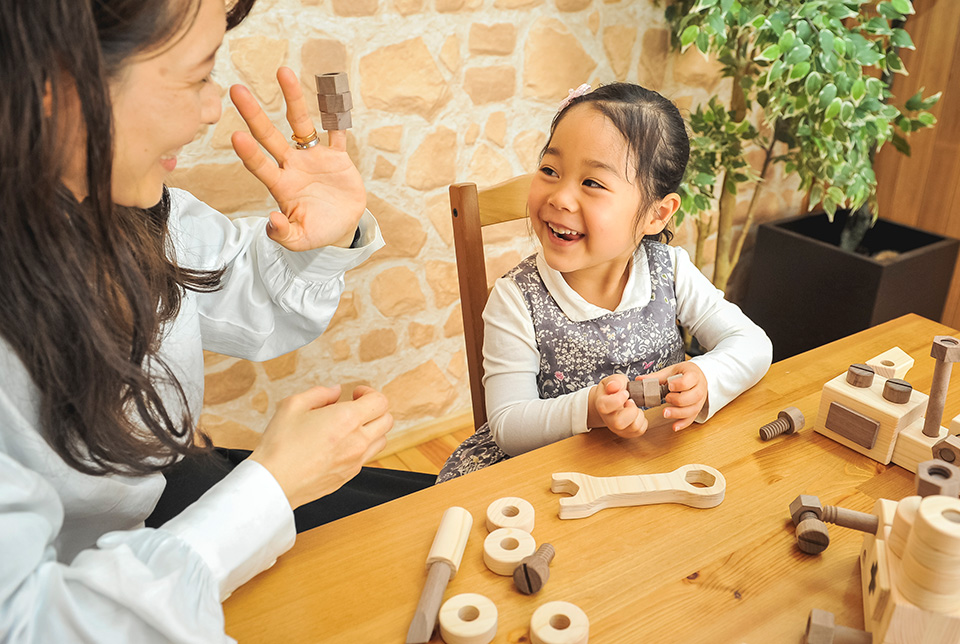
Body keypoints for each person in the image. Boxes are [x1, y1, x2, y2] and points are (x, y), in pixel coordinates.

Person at [0, 0, 432, 641]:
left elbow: (248, 294)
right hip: (87, 579)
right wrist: (270, 487)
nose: (211, 108)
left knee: (420, 521)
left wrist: (318, 236)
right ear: (56, 86)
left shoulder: (130, 207)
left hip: (162, 495)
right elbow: (32, 623)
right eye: (197, 76)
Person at [438, 83, 773, 482]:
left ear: (656, 214)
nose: (560, 197)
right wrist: (590, 410)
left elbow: (754, 344)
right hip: (550, 478)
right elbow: (509, 427)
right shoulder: (517, 299)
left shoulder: (671, 271)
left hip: (655, 465)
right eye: (549, 170)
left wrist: (706, 378)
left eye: (592, 183)